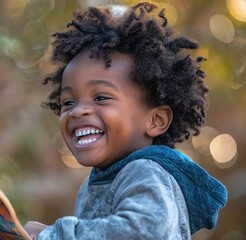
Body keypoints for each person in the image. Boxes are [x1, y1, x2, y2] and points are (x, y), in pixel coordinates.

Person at [24, 2, 228, 239]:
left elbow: (142, 231)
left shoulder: (145, 172)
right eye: (68, 102)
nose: (78, 111)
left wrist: (53, 234)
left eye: (100, 97)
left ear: (155, 120)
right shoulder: (94, 185)